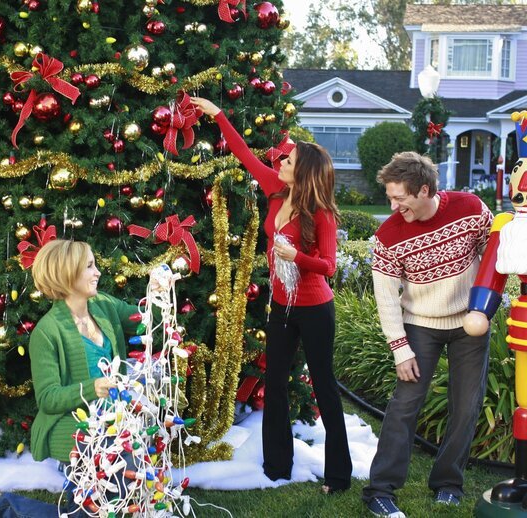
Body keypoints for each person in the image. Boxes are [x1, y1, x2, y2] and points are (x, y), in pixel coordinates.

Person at [189, 97, 352, 494]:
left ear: (304, 172)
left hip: (315, 307)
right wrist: (218, 114)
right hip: (281, 305)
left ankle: (338, 475)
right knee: (275, 382)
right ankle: (277, 465)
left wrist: (297, 257)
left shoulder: (322, 214)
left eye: (288, 161)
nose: (281, 161)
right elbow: (244, 155)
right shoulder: (275, 190)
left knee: (325, 385)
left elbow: (329, 266)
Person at [0, 239, 141, 518]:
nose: (97, 272)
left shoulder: (104, 305)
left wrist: (160, 291)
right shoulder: (47, 332)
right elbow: (48, 398)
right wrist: (92, 388)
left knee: (100, 507)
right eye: (89, 266)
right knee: (102, 505)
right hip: (73, 427)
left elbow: (146, 318)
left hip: (111, 425)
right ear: (68, 274)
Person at [361, 152, 493, 518]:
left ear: (423, 190)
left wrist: (486, 307)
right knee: (404, 406)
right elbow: (386, 298)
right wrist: (400, 349)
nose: (393, 206)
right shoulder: (389, 235)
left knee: (466, 407)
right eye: (390, 198)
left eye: (399, 197)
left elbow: (493, 256)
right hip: (420, 325)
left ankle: (448, 484)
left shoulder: (470, 209)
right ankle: (380, 490)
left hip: (470, 323)